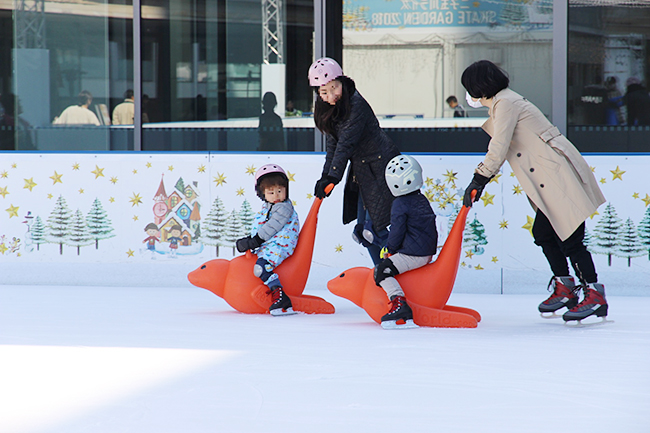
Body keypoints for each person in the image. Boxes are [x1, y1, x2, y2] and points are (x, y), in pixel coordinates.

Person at [461, 60, 607, 323]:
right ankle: (565, 288)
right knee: (543, 232)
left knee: (571, 238)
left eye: (468, 87)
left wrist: (478, 179)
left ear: (478, 86)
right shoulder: (502, 103)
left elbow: (499, 145)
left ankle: (594, 294)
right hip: (547, 178)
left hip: (557, 176)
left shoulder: (506, 103)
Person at [309, 57, 401, 265]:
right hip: (363, 171)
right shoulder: (334, 108)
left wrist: (333, 176)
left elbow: (346, 144)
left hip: (380, 168)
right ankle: (383, 274)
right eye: (324, 92)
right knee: (363, 233)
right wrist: (326, 176)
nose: (331, 96)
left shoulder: (355, 105)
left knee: (374, 230)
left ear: (342, 82)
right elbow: (333, 145)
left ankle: (403, 271)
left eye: (334, 88)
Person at [374, 155, 438, 329]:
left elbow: (396, 231)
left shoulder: (400, 203)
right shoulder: (421, 199)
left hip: (414, 254)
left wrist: (391, 249)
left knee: (382, 271)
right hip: (425, 252)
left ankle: (399, 304)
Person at [236, 164, 300, 316]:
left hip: (280, 245)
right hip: (272, 243)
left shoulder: (283, 208)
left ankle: (280, 296)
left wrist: (254, 241)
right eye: (271, 192)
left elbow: (272, 227)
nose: (276, 195)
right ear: (262, 194)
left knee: (261, 267)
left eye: (280, 191)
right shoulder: (268, 207)